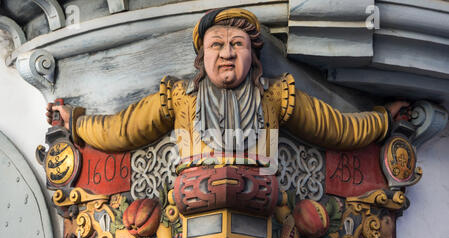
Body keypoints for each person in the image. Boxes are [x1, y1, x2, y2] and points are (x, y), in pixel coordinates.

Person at [46, 8, 408, 170]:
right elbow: (123, 129)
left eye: (238, 45)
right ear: (201, 56)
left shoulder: (276, 96)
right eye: (216, 44)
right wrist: (75, 122)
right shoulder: (178, 97)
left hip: (261, 196)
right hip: (193, 197)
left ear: (253, 56)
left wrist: (382, 121)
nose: (227, 53)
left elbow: (334, 127)